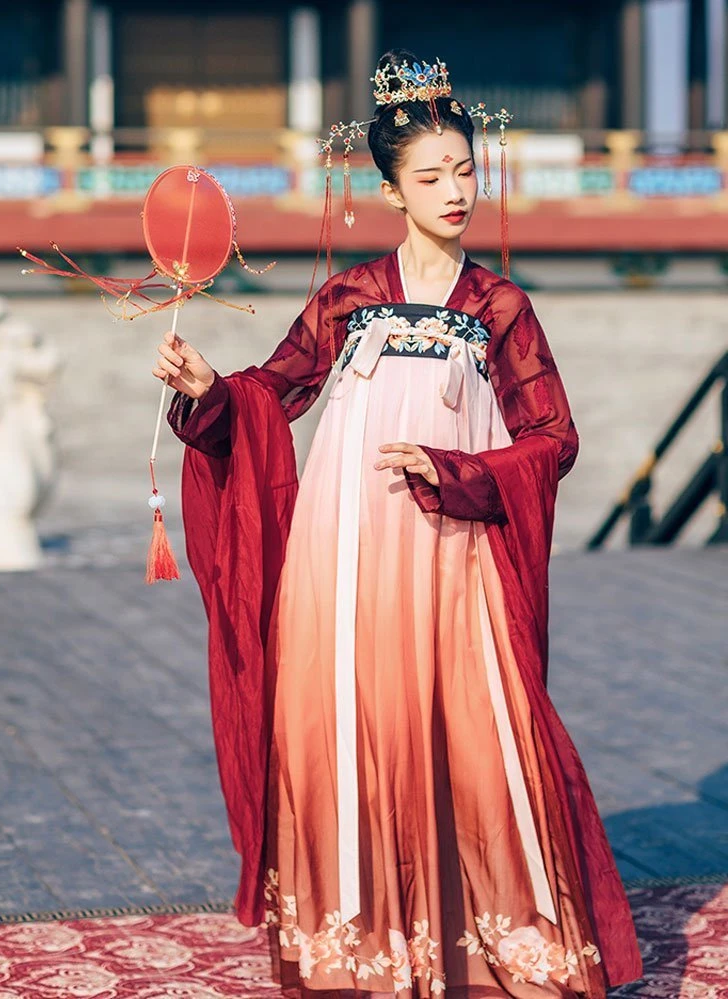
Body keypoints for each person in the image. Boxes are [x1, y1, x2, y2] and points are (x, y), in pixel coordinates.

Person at [153, 49, 642, 999]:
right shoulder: (351, 295)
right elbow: (273, 394)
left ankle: (498, 940)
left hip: (455, 555)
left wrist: (456, 468)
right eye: (431, 176)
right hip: (345, 554)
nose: (455, 190)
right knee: (351, 731)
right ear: (391, 189)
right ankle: (364, 949)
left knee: (479, 736)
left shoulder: (500, 306)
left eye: (465, 171)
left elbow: (553, 436)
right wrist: (212, 392)